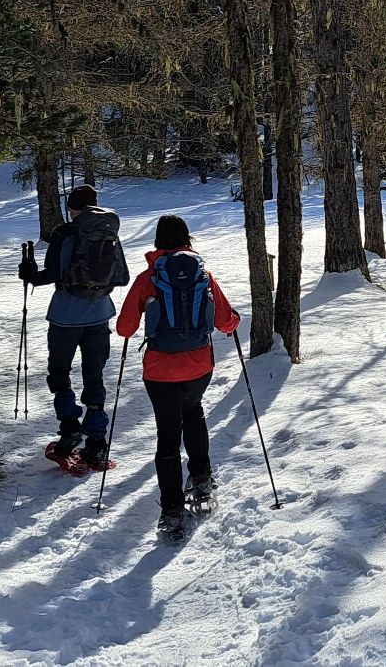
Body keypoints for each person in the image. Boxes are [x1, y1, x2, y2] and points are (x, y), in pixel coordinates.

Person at [115, 215, 240, 533]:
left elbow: (125, 328)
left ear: (158, 240)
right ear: (187, 239)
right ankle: (202, 479)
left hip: (160, 370)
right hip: (199, 366)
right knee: (193, 414)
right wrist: (235, 320)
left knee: (168, 435)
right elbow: (225, 322)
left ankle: (172, 510)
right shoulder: (203, 275)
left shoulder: (148, 278)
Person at [19, 184, 129, 469]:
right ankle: (97, 442)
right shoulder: (108, 230)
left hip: (65, 316)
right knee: (94, 375)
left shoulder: (65, 233)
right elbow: (121, 276)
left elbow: (52, 274)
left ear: (71, 208)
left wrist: (30, 275)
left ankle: (70, 428)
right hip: (100, 314)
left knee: (59, 372)